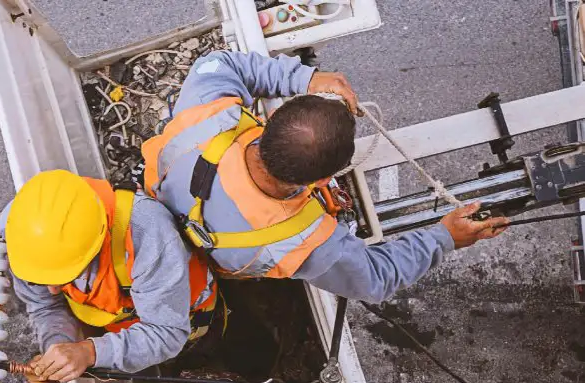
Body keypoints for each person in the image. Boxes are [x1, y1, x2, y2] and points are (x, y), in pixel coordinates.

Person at [142, 50, 508, 303]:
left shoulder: (209, 119)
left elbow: (218, 63)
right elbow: (376, 277)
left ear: (269, 123)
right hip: (213, 265)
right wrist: (445, 237)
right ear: (322, 183)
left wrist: (306, 78)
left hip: (163, 201)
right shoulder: (301, 242)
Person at [0, 170, 223, 383]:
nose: (53, 291)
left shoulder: (147, 234)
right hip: (121, 326)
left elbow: (167, 332)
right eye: (39, 280)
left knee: (211, 352)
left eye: (64, 278)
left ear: (97, 244)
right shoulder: (23, 232)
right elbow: (46, 306)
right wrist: (57, 352)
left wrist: (89, 352)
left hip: (189, 317)